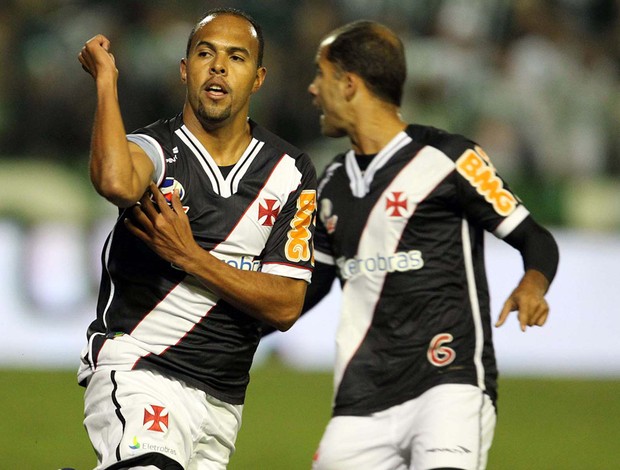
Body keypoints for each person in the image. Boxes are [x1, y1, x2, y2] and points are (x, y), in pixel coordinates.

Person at [303, 20, 559, 470]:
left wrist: (532, 285)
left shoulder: (450, 158)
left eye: (319, 76)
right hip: (361, 399)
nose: (311, 89)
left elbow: (534, 238)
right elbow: (309, 286)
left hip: (448, 385)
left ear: (347, 85)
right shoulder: (331, 183)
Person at [76, 8, 316, 469]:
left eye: (236, 57)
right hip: (140, 369)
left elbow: (285, 305)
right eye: (205, 53)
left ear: (258, 77)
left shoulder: (289, 171)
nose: (219, 66)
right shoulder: (158, 149)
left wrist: (190, 256)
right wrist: (105, 82)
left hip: (222, 400)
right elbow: (114, 181)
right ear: (186, 70)